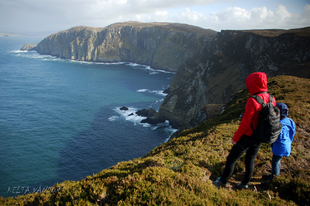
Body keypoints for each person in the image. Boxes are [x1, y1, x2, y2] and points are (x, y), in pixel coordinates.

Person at [212, 72, 277, 190]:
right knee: (250, 160)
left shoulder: (252, 100)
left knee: (231, 159)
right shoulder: (272, 99)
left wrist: (235, 138)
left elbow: (245, 123)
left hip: (247, 136)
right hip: (260, 136)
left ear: (253, 84)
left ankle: (223, 181)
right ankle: (244, 184)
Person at [262, 103, 295, 187]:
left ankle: (273, 181)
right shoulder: (289, 121)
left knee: (275, 162)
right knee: (277, 161)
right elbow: (292, 131)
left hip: (279, 147)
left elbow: (275, 135)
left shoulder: (278, 123)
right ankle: (275, 175)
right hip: (287, 145)